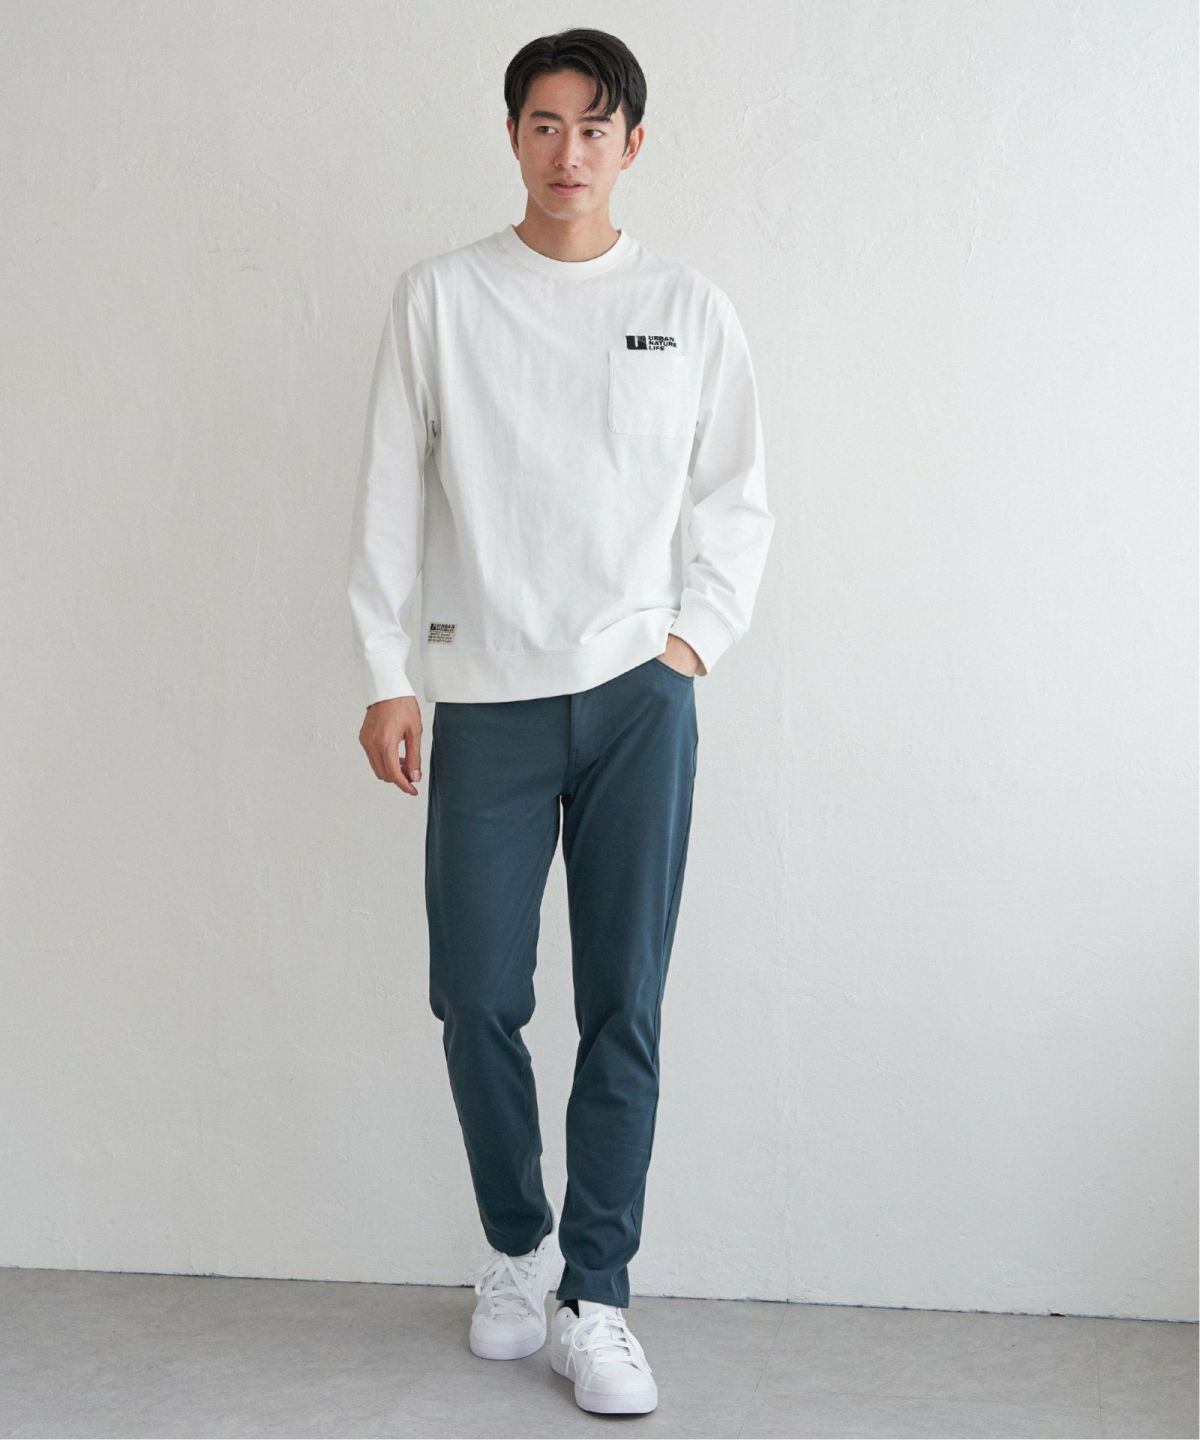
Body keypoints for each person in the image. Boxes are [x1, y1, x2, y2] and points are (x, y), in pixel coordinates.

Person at [345, 26, 774, 1418]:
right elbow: (387, 495)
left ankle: (597, 1294)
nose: (568, 151)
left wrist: (689, 645)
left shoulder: (686, 306)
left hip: (640, 696)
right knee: (476, 994)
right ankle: (519, 1247)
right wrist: (385, 671)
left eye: (595, 127)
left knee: (623, 1004)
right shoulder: (441, 298)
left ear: (631, 144)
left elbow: (736, 495)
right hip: (485, 694)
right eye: (544, 123)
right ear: (513, 135)